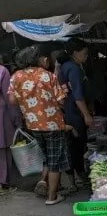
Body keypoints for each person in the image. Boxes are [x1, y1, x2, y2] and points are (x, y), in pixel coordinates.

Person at [8, 45, 69, 205]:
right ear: (37, 59)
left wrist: (27, 101)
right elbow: (61, 100)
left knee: (45, 158)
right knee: (55, 160)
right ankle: (52, 197)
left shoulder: (16, 76)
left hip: (33, 124)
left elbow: (12, 100)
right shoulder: (48, 76)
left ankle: (44, 183)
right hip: (53, 124)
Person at [58, 38, 92, 186]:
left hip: (67, 111)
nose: (86, 56)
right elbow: (78, 95)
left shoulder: (65, 66)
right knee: (77, 145)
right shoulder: (73, 68)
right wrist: (86, 115)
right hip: (74, 112)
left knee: (71, 146)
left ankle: (73, 181)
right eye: (84, 53)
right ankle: (80, 176)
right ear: (75, 53)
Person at [0, 58, 20, 194]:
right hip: (1, 115)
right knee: (3, 151)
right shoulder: (2, 71)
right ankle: (3, 184)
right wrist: (17, 120)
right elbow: (10, 99)